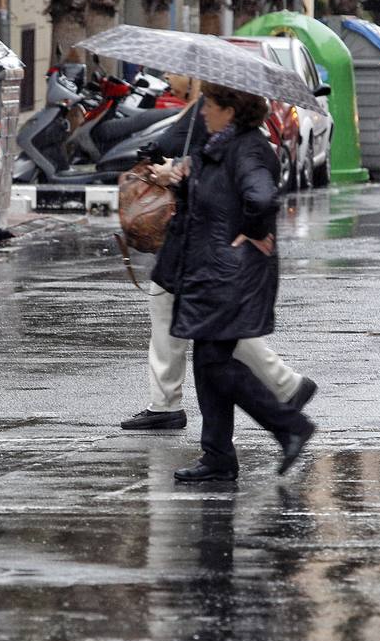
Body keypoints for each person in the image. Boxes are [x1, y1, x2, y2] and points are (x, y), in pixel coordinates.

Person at [121, 72, 318, 433]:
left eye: (174, 73)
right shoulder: (212, 122)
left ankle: (282, 406)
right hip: (201, 245)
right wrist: (180, 176)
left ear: (228, 109)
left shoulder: (234, 137)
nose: (167, 77)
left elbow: (256, 194)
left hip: (207, 251)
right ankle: (221, 440)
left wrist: (252, 231)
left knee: (211, 338)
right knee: (205, 334)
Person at [168, 82, 316, 483]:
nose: (202, 112)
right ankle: (218, 455)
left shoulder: (247, 148)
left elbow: (263, 198)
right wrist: (183, 183)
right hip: (212, 271)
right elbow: (218, 199)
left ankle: (289, 425)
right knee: (207, 361)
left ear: (230, 111)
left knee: (215, 364)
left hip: (231, 273)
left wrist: (249, 231)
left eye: (209, 105)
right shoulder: (219, 146)